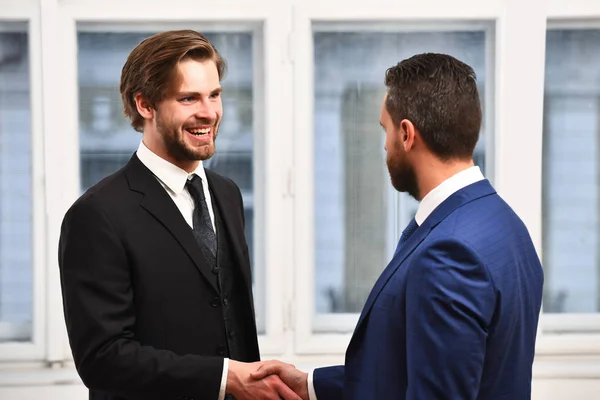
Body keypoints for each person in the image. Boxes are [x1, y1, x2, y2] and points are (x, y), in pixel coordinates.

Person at [252, 53, 545, 399]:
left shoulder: (449, 252)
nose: (386, 146)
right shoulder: (505, 224)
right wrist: (311, 385)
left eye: (385, 131)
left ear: (406, 134)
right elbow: (407, 369)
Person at [58, 30, 299, 400]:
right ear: (145, 105)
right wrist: (224, 378)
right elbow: (101, 358)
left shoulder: (227, 194)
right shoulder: (96, 215)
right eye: (189, 98)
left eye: (215, 95)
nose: (209, 112)